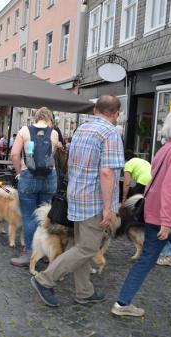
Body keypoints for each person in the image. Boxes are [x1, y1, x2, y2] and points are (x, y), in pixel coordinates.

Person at [111, 111, 171, 328]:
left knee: (146, 260)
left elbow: (158, 182)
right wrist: (167, 221)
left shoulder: (164, 150)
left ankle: (122, 303)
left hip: (156, 214)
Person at [30, 95, 124, 306]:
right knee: (88, 248)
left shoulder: (81, 129)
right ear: (116, 113)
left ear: (95, 111)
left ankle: (84, 291)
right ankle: (45, 279)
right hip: (93, 201)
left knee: (82, 245)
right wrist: (108, 208)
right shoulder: (110, 133)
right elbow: (107, 173)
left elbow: (71, 164)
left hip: (75, 196)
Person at [10, 107, 60, 267]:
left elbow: (14, 154)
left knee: (28, 216)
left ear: (36, 118)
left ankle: (30, 252)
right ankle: (45, 252)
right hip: (48, 178)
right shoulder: (53, 133)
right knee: (44, 216)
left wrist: (19, 172)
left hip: (28, 176)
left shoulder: (24, 130)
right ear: (49, 119)